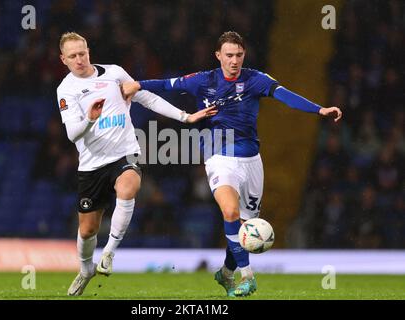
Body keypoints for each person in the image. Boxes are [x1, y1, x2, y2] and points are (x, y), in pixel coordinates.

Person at [122, 31, 342, 297]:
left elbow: (285, 95)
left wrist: (319, 110)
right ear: (218, 56)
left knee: (245, 230)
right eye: (229, 55)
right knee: (230, 212)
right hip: (219, 156)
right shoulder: (204, 80)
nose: (234, 60)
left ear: (244, 55)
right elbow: (168, 84)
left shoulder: (256, 79)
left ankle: (226, 273)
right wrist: (138, 84)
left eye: (238, 55)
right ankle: (247, 277)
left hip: (251, 160)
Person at [56, 32, 216, 296]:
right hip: (92, 165)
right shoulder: (66, 89)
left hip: (124, 154)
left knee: (129, 187)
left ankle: (109, 253)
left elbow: (147, 97)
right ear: (64, 59)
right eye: (72, 56)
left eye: (82, 53)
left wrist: (185, 117)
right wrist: (90, 118)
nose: (79, 59)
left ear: (89, 51)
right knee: (87, 230)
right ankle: (85, 270)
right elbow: (73, 134)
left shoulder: (115, 74)